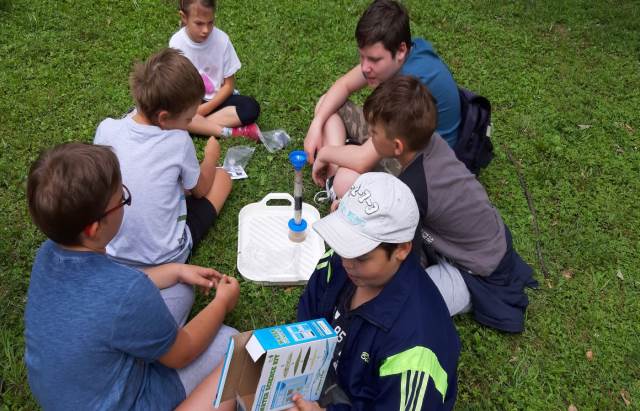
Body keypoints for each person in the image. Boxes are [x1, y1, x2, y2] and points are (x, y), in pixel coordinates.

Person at [24, 143, 238, 410]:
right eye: (122, 199)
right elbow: (182, 354)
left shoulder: (47, 254)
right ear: (94, 228)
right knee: (237, 345)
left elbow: (107, 300)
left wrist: (176, 270)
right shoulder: (128, 292)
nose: (126, 202)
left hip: (74, 392)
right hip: (127, 400)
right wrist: (222, 303)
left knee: (180, 288)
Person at [360, 75, 537, 333]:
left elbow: (402, 255)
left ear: (397, 146)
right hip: (477, 241)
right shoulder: (430, 143)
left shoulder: (415, 187)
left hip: (477, 272)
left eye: (373, 132)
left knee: (401, 302)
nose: (368, 135)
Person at [293, 172, 460, 411]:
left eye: (361, 256)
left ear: (401, 249)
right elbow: (309, 312)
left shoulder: (416, 349)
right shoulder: (342, 259)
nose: (346, 262)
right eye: (343, 244)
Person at [94, 47, 232, 326]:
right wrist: (211, 156)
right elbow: (201, 189)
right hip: (168, 257)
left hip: (111, 254)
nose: (189, 125)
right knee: (223, 179)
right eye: (187, 119)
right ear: (164, 118)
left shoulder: (107, 128)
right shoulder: (177, 141)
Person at [304, 0, 460, 195]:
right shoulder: (404, 53)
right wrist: (316, 125)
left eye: (374, 59)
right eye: (362, 57)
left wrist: (326, 154)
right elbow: (343, 85)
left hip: (422, 168)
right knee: (327, 103)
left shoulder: (410, 87)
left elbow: (362, 160)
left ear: (401, 50)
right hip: (398, 138)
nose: (364, 67)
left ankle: (335, 175)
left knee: (345, 181)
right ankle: (336, 168)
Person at [170, 0, 261, 141]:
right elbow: (177, 89)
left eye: (210, 22)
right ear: (184, 17)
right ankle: (229, 131)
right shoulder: (176, 43)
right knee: (169, 109)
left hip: (217, 101)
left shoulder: (222, 40)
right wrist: (192, 109)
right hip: (190, 103)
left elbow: (229, 86)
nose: (206, 30)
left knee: (250, 107)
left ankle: (191, 126)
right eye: (199, 23)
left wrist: (202, 111)